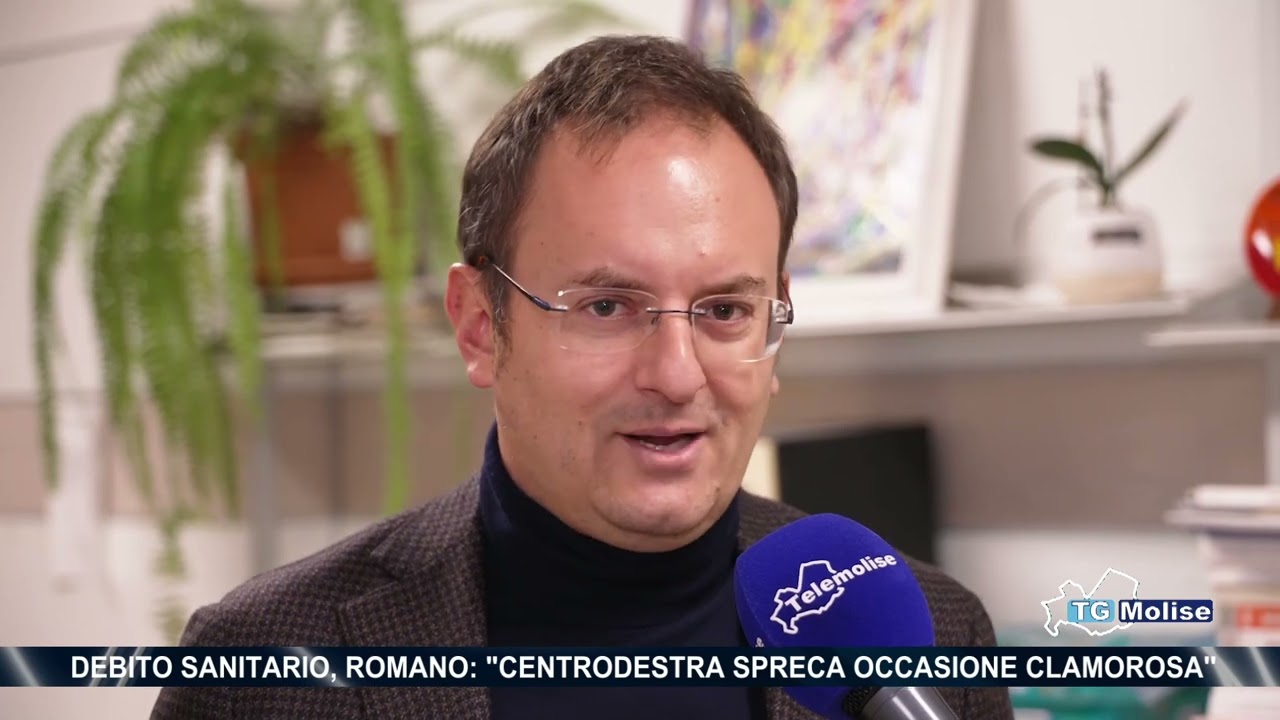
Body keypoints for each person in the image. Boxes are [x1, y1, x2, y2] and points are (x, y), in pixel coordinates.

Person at [152, 34, 1013, 720]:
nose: (677, 375)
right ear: (480, 326)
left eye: (724, 310)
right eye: (607, 307)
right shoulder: (264, 672)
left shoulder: (934, 644)